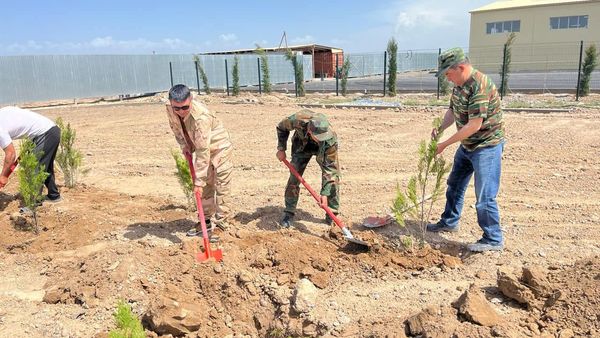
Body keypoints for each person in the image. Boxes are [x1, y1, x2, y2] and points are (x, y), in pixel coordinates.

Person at [428, 47, 506, 252]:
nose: (447, 78)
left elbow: (474, 125)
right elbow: (453, 110)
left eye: (448, 74)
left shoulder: (480, 85)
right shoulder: (460, 85)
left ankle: (493, 238)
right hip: (467, 144)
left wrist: (445, 144)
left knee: (485, 195)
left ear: (461, 68)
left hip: (486, 146)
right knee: (454, 184)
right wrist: (440, 128)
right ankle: (449, 221)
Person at [166, 84, 233, 236]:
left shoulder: (201, 118)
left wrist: (198, 181)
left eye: (184, 107)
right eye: (176, 108)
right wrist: (185, 145)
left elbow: (203, 151)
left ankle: (222, 224)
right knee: (207, 185)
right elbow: (175, 127)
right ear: (171, 103)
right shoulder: (170, 108)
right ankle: (205, 221)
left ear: (191, 99)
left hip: (219, 148)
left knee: (220, 185)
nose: (180, 112)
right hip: (199, 144)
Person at [276, 109, 340, 228]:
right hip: (301, 146)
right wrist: (281, 148)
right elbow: (281, 127)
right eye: (319, 137)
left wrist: (324, 194)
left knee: (333, 181)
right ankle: (289, 212)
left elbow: (330, 170)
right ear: (310, 131)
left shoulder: (330, 140)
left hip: (323, 150)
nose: (321, 139)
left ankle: (332, 214)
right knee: (294, 178)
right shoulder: (298, 119)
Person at [0, 106, 62, 202]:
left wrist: (3, 176)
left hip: (45, 133)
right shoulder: (2, 113)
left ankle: (34, 204)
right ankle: (54, 195)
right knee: (44, 166)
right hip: (48, 131)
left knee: (34, 168)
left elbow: (11, 154)